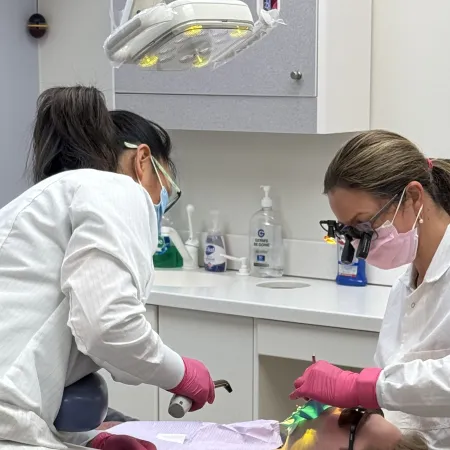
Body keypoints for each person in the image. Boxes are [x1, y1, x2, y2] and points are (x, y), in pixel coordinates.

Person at [0, 85, 215, 449]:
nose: (159, 202)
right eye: (165, 188)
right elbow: (108, 327)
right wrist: (179, 372)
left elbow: (33, 343)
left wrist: (87, 441)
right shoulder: (117, 189)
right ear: (142, 160)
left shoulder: (38, 202)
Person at [290, 130, 450, 450]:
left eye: (363, 226)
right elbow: (397, 394)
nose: (356, 246)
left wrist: (362, 386)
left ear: (414, 198)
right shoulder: (405, 286)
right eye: (348, 231)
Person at [94, 401, 428, 450]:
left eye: (353, 418)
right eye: (360, 407)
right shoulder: (282, 435)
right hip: (131, 427)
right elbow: (302, 415)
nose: (341, 408)